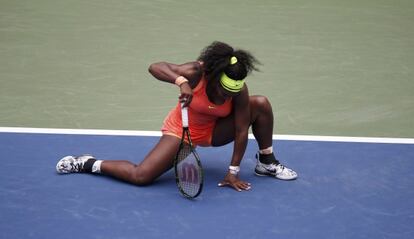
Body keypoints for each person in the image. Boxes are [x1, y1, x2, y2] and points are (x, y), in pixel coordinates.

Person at [56, 41, 297, 192]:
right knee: (141, 177)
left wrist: (233, 172)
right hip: (182, 130)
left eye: (232, 93)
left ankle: (266, 163)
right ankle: (87, 162)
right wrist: (181, 83)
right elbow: (155, 66)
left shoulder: (238, 90)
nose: (227, 98)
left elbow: (241, 130)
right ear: (214, 77)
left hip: (215, 131)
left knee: (261, 103)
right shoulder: (196, 72)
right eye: (224, 91)